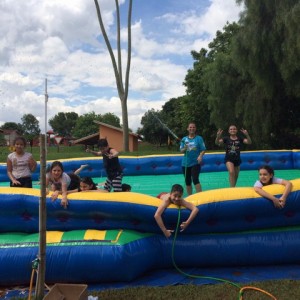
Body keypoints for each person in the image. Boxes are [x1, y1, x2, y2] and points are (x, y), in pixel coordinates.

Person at [179, 122, 206, 195]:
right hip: (185, 163)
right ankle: (190, 197)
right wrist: (185, 148)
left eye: (193, 127)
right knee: (188, 181)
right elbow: (181, 151)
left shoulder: (199, 138)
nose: (192, 128)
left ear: (195, 129)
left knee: (195, 179)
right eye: (190, 127)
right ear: (188, 129)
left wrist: (200, 156)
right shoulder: (184, 139)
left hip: (195, 163)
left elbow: (203, 149)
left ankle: (200, 197)